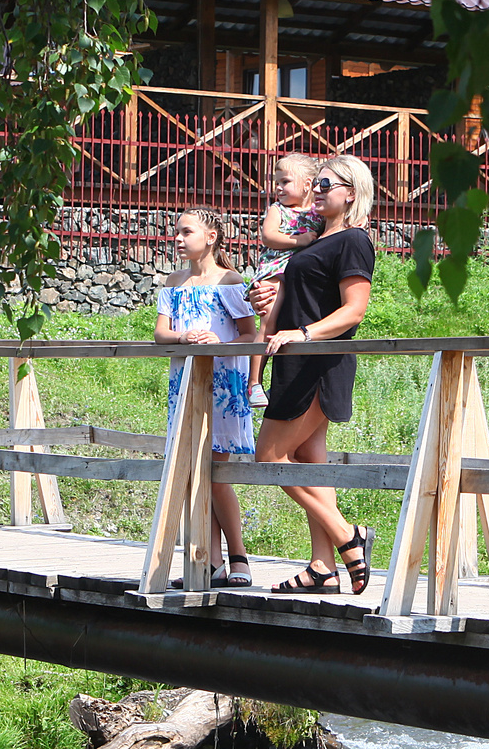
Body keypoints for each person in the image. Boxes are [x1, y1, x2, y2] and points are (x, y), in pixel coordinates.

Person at [251, 154, 380, 595]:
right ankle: (321, 566)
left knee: (267, 457)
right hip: (296, 357)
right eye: (317, 184)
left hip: (316, 363)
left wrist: (303, 332)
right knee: (310, 464)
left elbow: (354, 310)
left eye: (328, 184)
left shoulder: (353, 241)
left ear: (352, 192)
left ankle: (347, 535)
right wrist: (267, 298)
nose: (319, 190)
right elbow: (303, 292)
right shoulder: (314, 241)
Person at [154, 207, 257, 586]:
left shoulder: (230, 281)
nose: (178, 240)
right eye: (176, 233)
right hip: (184, 383)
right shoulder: (174, 282)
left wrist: (220, 341)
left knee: (215, 474)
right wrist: (183, 338)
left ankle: (239, 557)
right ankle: (207, 561)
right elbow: (161, 334)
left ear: (211, 236)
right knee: (193, 473)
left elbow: (251, 335)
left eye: (187, 232)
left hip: (223, 385)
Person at [251, 152, 323, 285]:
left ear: (307, 184)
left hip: (305, 268)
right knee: (271, 293)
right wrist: (299, 240)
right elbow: (268, 236)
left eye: (285, 182)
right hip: (277, 266)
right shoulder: (278, 209)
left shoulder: (318, 212)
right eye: (277, 182)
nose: (278, 187)